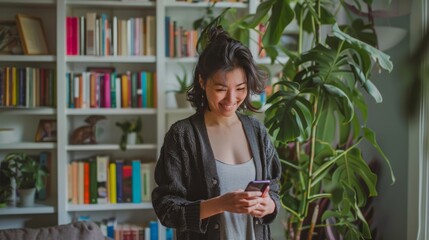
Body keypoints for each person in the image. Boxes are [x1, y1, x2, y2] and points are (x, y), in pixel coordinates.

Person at [152, 26, 281, 240]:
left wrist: (269, 205)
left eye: (240, 88)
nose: (231, 99)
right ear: (202, 81)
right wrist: (219, 204)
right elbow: (166, 209)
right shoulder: (182, 136)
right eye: (221, 89)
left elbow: (274, 187)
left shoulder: (257, 131)